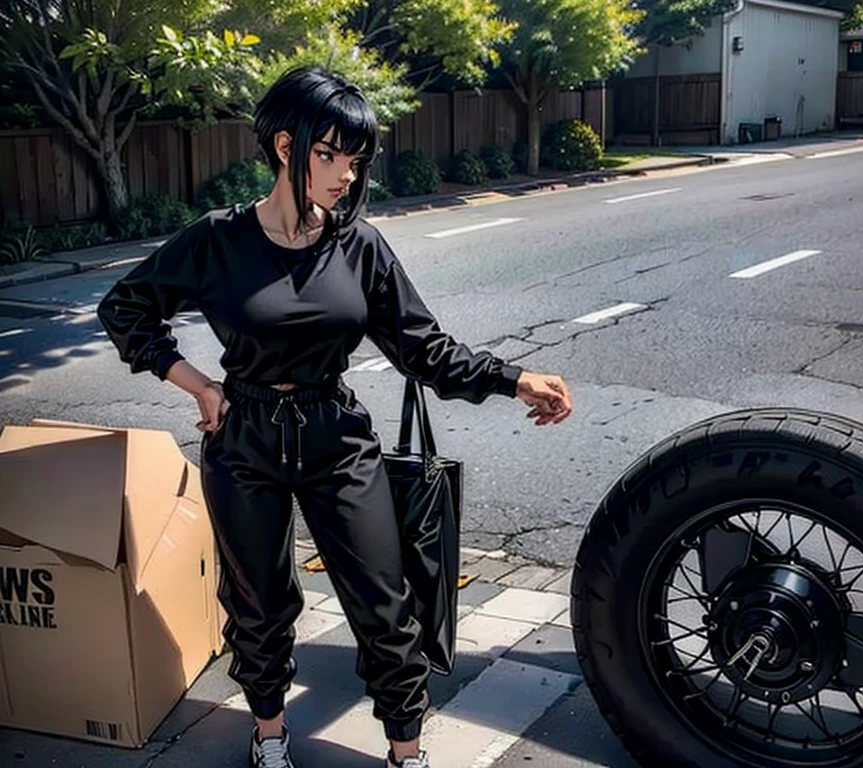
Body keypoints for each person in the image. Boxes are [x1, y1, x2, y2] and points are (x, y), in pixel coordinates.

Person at [96, 64, 573, 768]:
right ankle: (269, 736)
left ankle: (405, 752)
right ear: (286, 148)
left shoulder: (360, 247)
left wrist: (513, 378)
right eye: (330, 155)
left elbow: (424, 349)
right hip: (244, 439)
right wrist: (197, 384)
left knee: (385, 606)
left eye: (356, 160)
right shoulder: (217, 241)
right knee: (258, 607)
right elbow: (125, 309)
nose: (346, 175)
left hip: (336, 438)